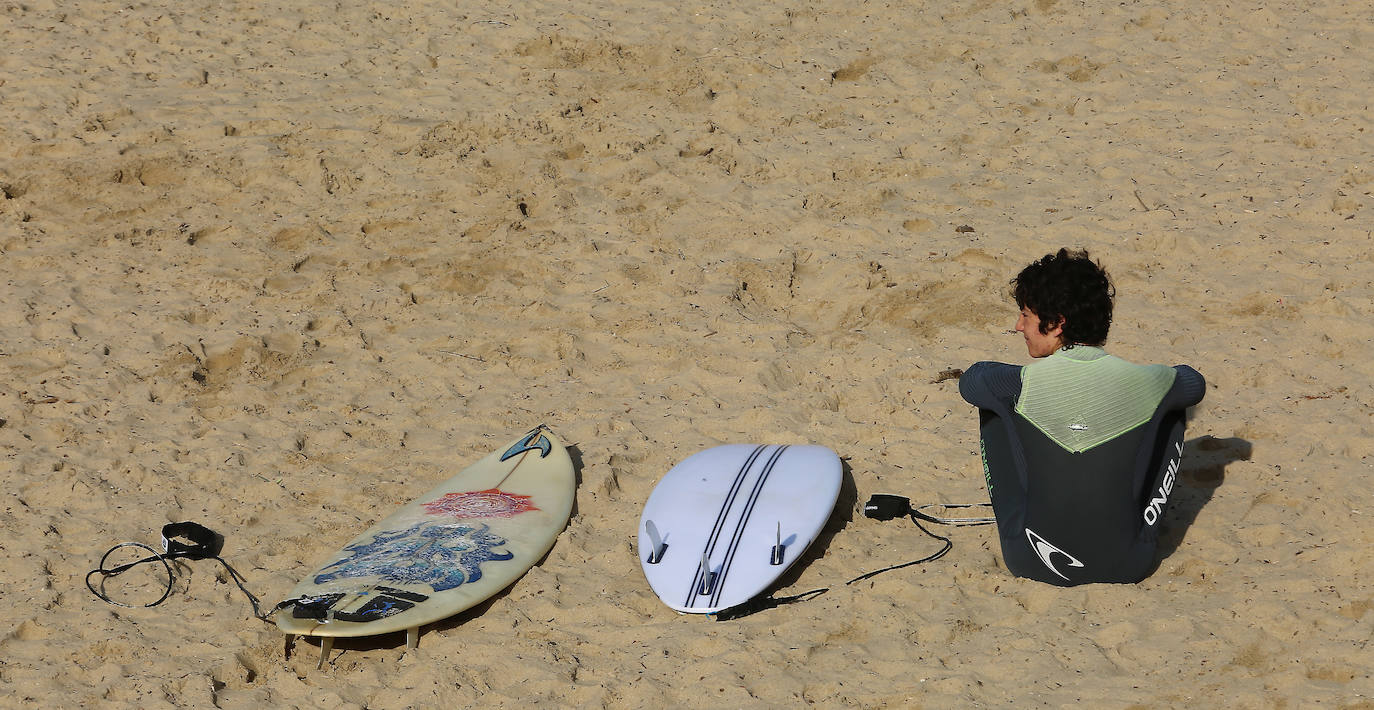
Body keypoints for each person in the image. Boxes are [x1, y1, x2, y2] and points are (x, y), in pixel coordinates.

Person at [958, 248, 1205, 585]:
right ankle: (1137, 529)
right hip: (1130, 564)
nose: (1018, 326)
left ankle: (1025, 527)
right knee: (1170, 411)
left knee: (995, 411)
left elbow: (973, 380)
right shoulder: (1151, 382)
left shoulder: (1018, 384)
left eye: (1026, 315)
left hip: (1029, 562)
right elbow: (1194, 383)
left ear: (1057, 323)